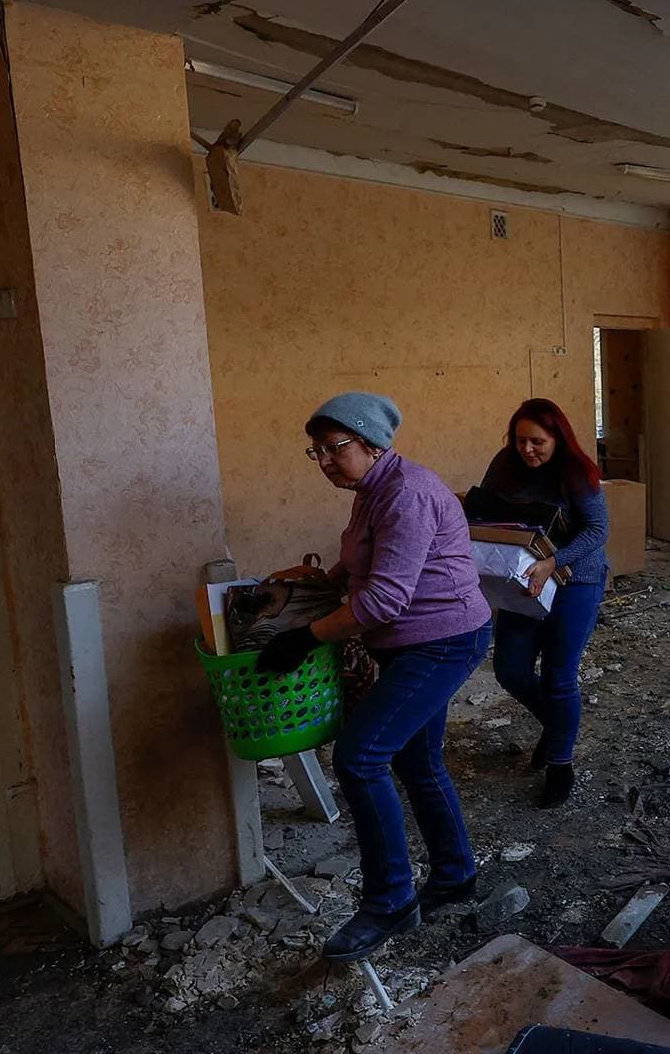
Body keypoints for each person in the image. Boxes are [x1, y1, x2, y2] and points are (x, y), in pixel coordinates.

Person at [257, 392, 492, 962]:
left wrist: (303, 637)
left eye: (335, 448)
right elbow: (373, 561)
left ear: (371, 443)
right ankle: (456, 873)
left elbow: (385, 598)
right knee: (418, 761)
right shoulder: (373, 490)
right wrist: (324, 579)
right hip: (414, 642)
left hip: (439, 641)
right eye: (315, 453)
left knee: (360, 758)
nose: (325, 462)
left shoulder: (406, 493)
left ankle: (389, 901)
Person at [464, 398, 607, 808]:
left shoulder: (579, 473)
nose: (528, 450)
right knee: (510, 669)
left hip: (575, 577)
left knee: (559, 677)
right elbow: (484, 512)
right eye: (520, 440)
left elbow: (598, 530)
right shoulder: (504, 464)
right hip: (521, 579)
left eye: (538, 442)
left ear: (557, 439)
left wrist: (553, 561)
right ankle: (557, 724)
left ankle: (561, 763)